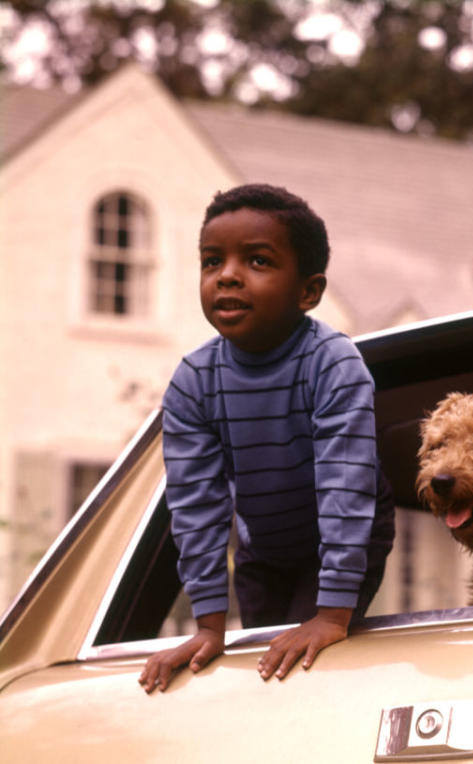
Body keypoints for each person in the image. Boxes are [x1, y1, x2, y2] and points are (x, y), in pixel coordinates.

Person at [139, 184, 394, 693]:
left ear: (309, 292)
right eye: (212, 261)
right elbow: (196, 506)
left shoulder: (333, 364)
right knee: (262, 674)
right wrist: (208, 625)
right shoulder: (193, 381)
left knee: (304, 670)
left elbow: (346, 492)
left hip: (341, 543)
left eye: (257, 261)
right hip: (261, 552)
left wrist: (331, 615)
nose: (227, 275)